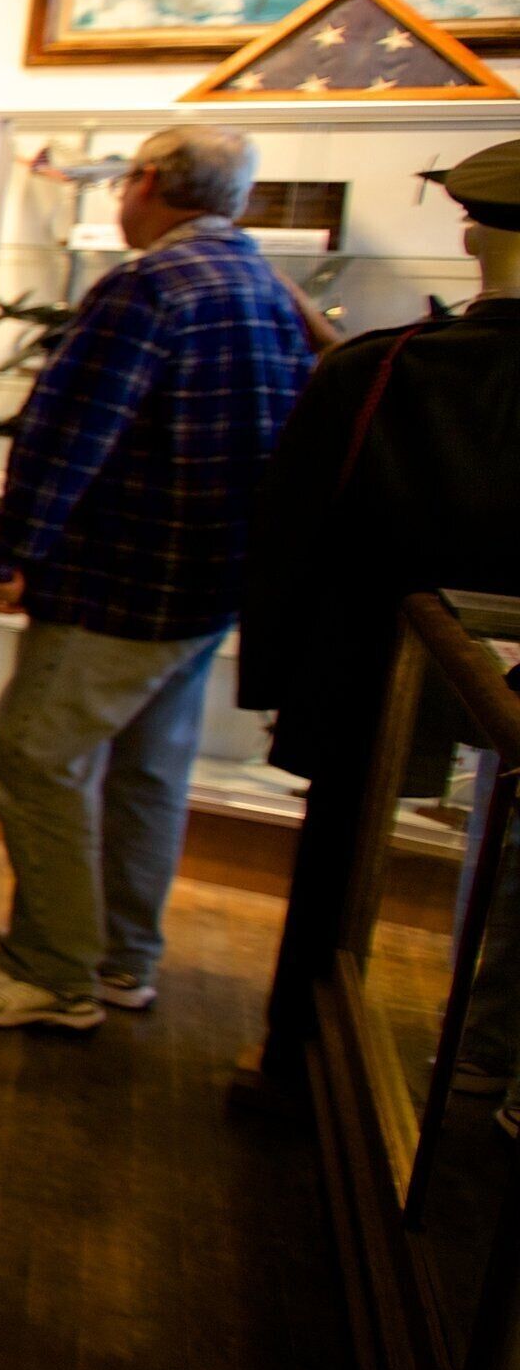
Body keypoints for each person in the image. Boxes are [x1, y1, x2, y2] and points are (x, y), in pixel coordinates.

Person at [0, 127, 310, 1033]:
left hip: (120, 586)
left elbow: (69, 434)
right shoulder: (262, 285)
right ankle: (122, 957)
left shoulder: (147, 288)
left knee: (37, 758)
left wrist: (7, 549)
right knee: (148, 774)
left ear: (147, 182)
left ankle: (53, 968)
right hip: (204, 591)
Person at [243, 138, 520, 1083]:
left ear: (473, 231)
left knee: (339, 877)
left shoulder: (384, 372)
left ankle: (295, 1063)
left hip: (370, 677)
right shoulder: (379, 366)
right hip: (417, 672)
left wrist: (282, 682)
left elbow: (296, 537)